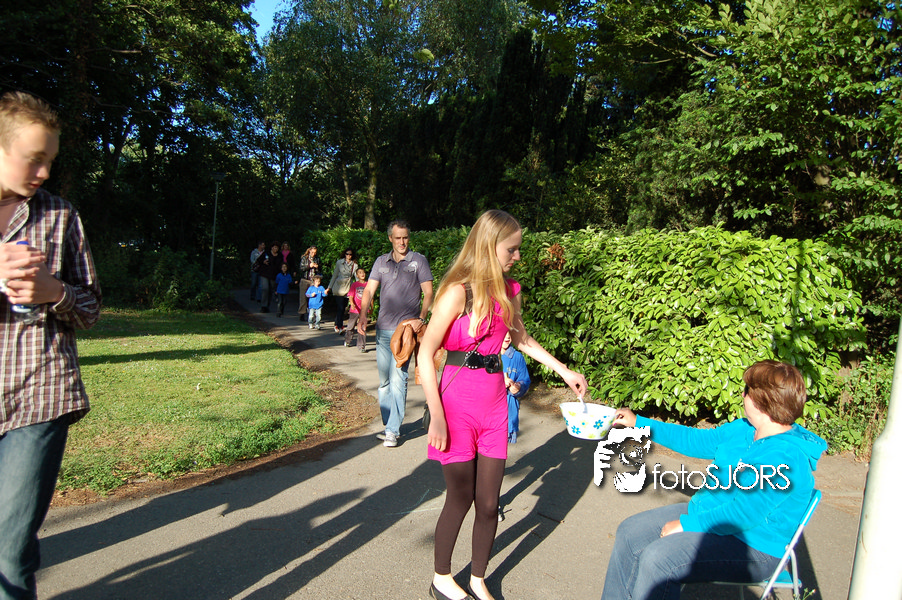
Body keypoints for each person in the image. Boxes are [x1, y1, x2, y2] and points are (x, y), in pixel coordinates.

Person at [416, 210, 587, 600]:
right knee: (460, 496)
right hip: (456, 408)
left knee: (490, 503)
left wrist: (563, 370)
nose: (517, 256)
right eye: (512, 249)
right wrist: (437, 416)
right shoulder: (458, 292)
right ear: (488, 246)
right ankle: (442, 578)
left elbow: (521, 338)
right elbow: (426, 354)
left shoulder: (510, 291)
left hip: (494, 407)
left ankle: (478, 579)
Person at [600, 360, 828, 600]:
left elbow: (743, 515)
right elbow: (694, 440)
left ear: (762, 402)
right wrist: (639, 423)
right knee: (630, 532)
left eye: (747, 390)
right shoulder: (745, 429)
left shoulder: (785, 458)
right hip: (711, 513)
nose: (743, 394)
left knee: (659, 559)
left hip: (754, 546)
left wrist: (688, 525)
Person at [0, 91, 102, 600]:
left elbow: (90, 309)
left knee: (9, 544)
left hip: (39, 392)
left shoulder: (60, 216)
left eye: (51, 161)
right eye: (33, 158)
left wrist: (53, 291)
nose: (43, 172)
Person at [357, 220, 434, 448]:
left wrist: (421, 318)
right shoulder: (381, 262)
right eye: (398, 237)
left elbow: (428, 292)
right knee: (384, 382)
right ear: (390, 238)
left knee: (398, 378)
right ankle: (389, 421)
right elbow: (369, 290)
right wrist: (363, 315)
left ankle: (392, 430)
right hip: (383, 330)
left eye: (405, 237)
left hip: (405, 332)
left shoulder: (418, 261)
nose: (402, 242)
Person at [500, 331, 530, 444]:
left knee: (503, 447)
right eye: (504, 332)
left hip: (509, 410)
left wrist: (518, 387)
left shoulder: (517, 357)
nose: (507, 336)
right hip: (490, 412)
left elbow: (525, 380)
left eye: (510, 333)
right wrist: (499, 382)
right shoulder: (488, 355)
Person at [326, 248, 358, 333]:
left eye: (350, 254)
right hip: (339, 287)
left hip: (348, 287)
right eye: (347, 254)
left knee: (343, 308)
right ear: (344, 254)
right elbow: (334, 275)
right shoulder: (339, 263)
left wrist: (359, 287)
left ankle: (337, 323)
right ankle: (340, 326)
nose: (348, 256)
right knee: (340, 307)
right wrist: (329, 287)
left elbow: (356, 277)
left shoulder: (354, 265)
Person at [253, 241, 282, 313]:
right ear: (271, 247)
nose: (275, 249)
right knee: (265, 289)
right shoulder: (266, 253)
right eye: (274, 247)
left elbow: (281, 265)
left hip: (274, 275)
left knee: (270, 290)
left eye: (277, 248)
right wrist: (263, 262)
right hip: (265, 274)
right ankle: (263, 306)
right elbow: (258, 261)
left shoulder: (280, 256)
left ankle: (267, 305)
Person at [345, 266, 368, 352]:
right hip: (355, 309)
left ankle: (361, 346)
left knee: (362, 327)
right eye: (360, 273)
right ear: (357, 275)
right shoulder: (354, 284)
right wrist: (352, 304)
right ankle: (348, 340)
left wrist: (371, 307)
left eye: (363, 272)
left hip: (364, 309)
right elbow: (351, 296)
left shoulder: (368, 284)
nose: (362, 274)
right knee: (351, 326)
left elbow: (371, 296)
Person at [296, 246, 320, 321]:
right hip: (305, 279)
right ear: (309, 251)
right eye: (312, 252)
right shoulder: (304, 258)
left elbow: (320, 270)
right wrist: (309, 266)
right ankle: (302, 313)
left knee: (314, 297)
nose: (313, 254)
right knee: (303, 298)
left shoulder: (317, 259)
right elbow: (301, 268)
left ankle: (313, 315)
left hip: (313, 280)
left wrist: (317, 267)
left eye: (315, 253)